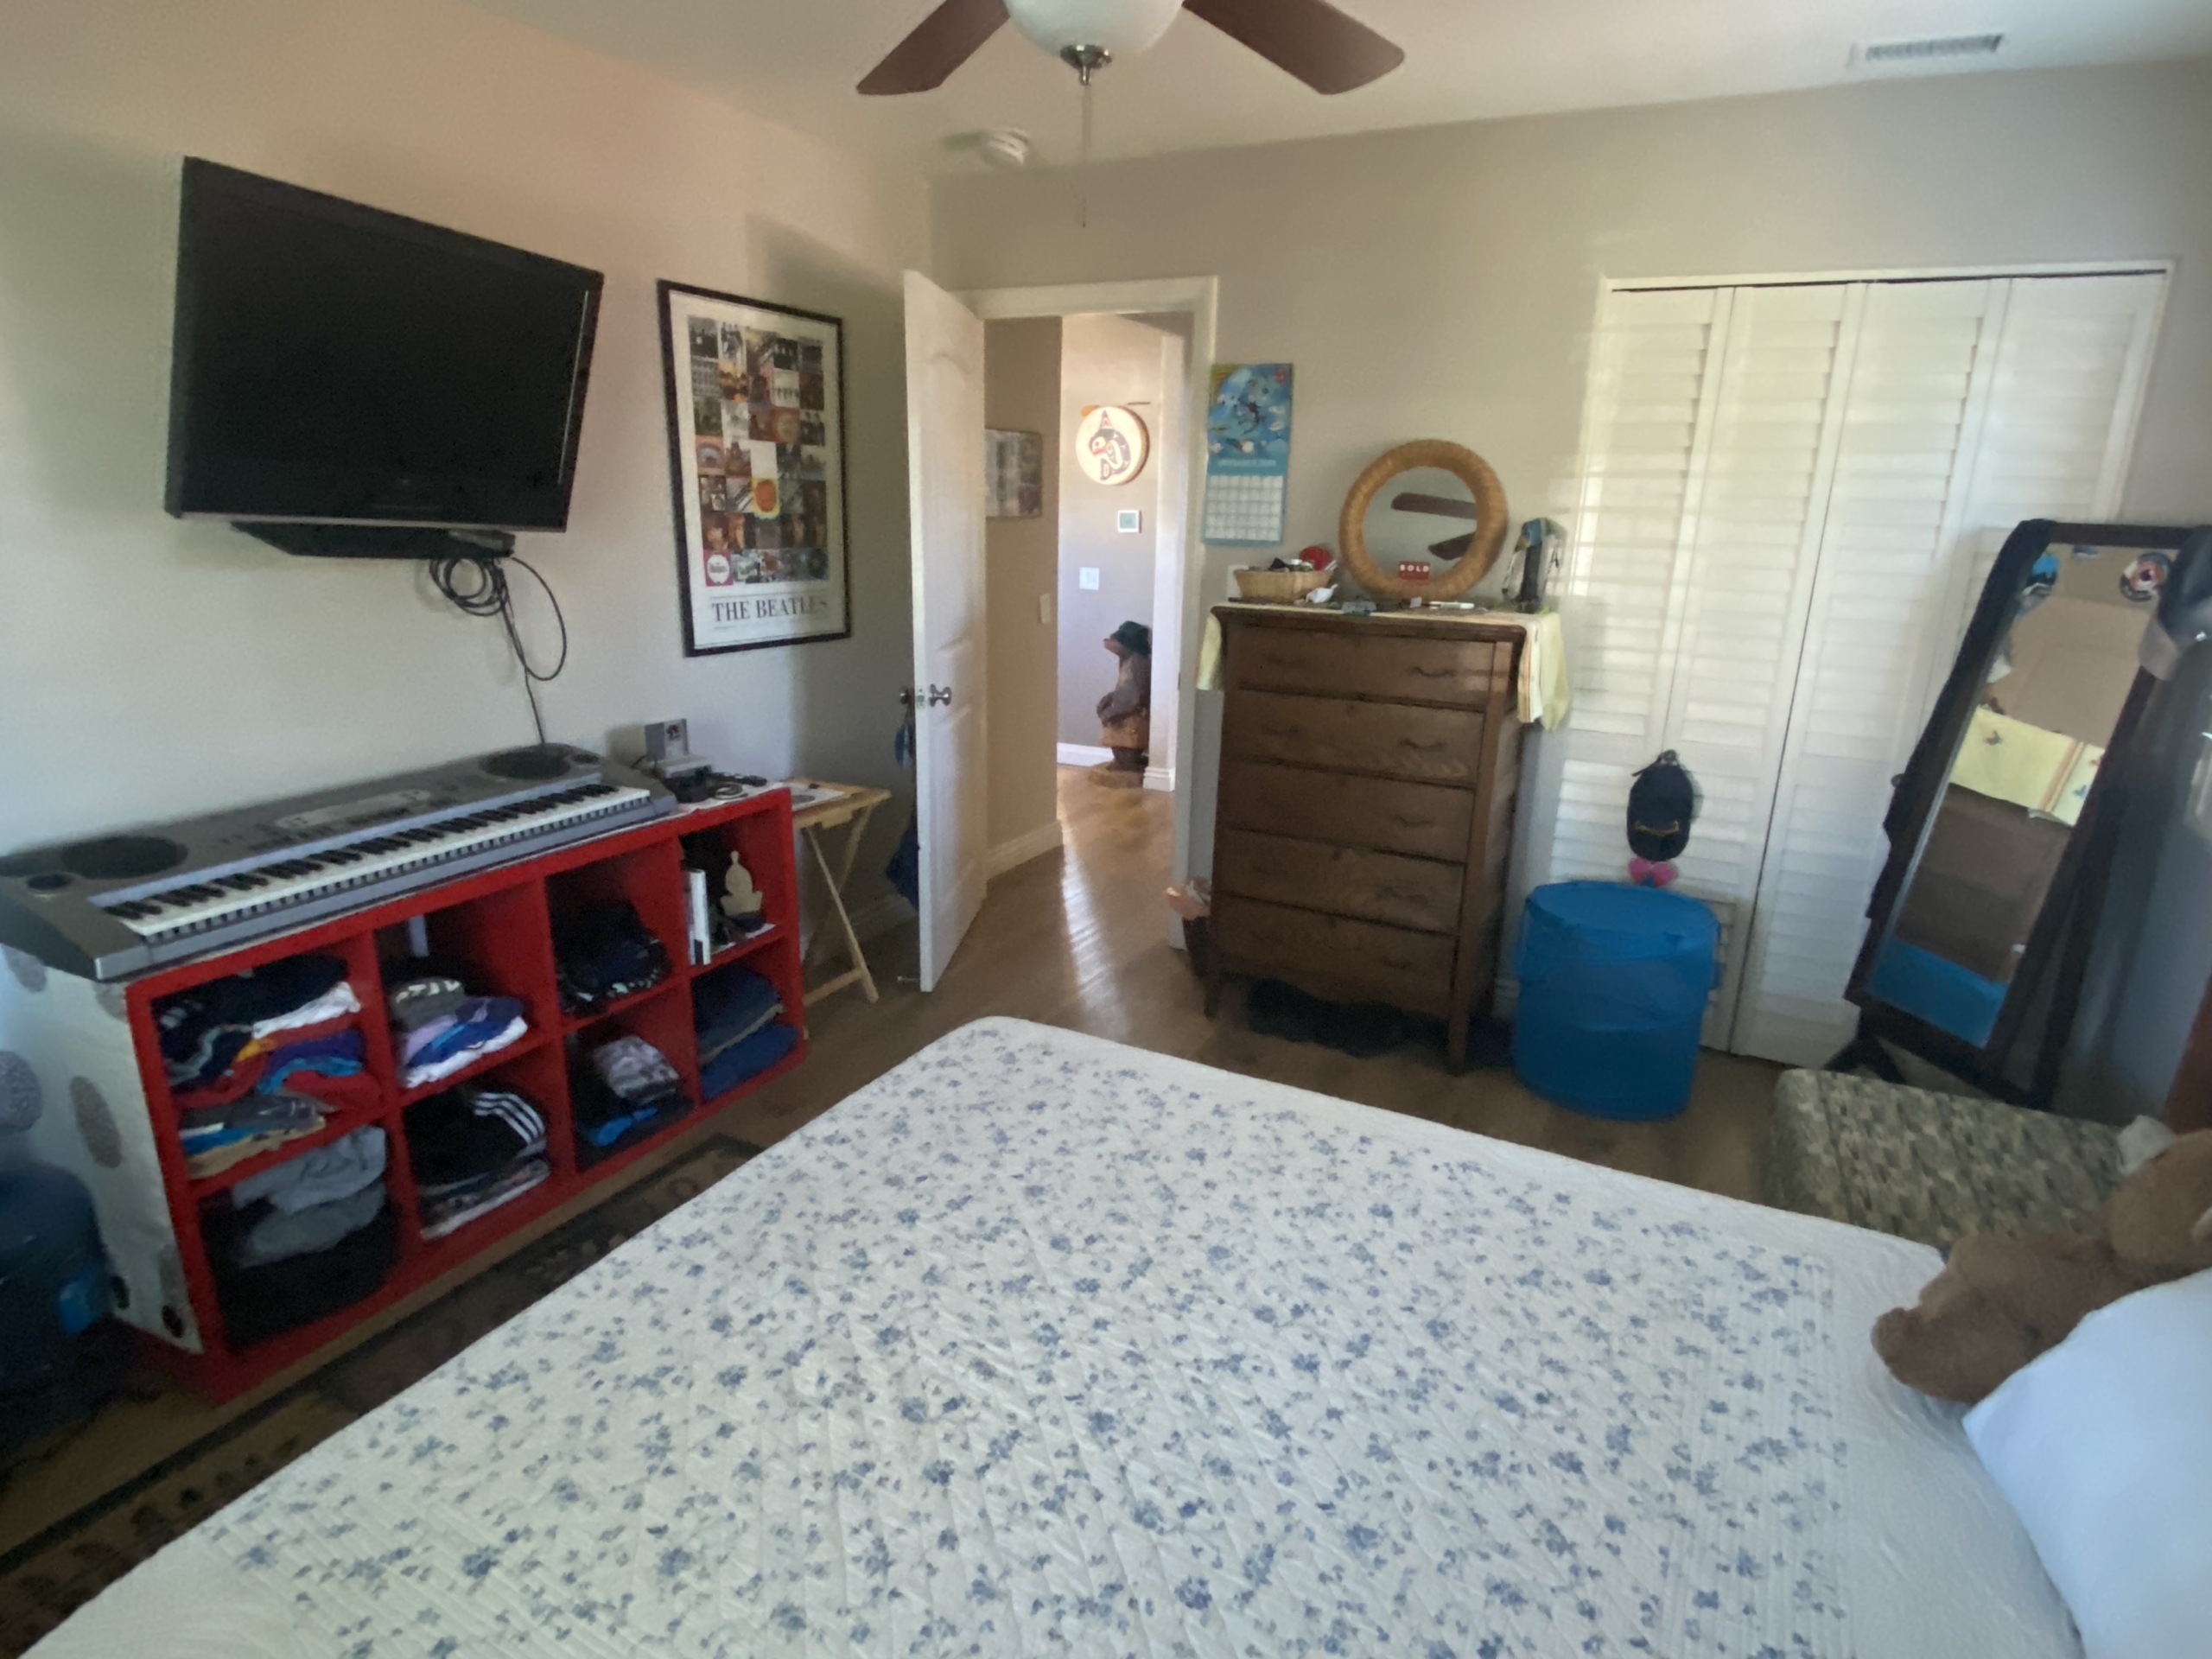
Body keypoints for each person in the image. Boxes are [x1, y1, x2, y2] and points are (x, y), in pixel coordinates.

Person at [1096, 620, 1152, 773]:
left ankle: (1128, 765)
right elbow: (1122, 690)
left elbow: (1131, 696)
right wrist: (1109, 699)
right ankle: (1124, 763)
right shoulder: (1129, 660)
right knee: (1118, 743)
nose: (1110, 644)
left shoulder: (1137, 664)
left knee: (1124, 743)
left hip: (1131, 714)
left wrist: (1111, 712)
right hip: (1124, 708)